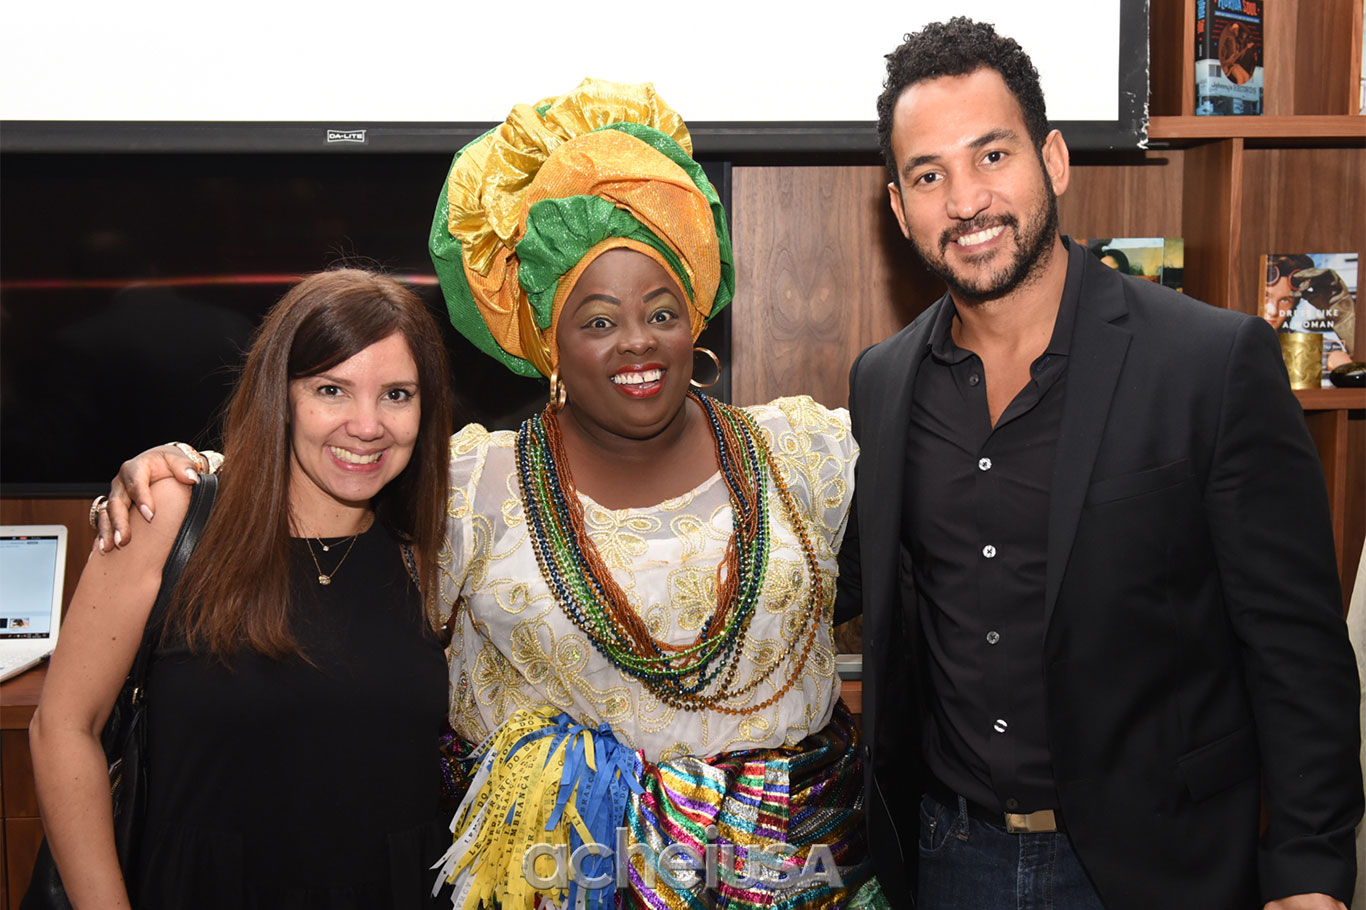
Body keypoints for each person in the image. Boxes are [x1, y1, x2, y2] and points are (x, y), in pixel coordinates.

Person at [95, 81, 885, 909]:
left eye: (663, 311)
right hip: (557, 883)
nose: (638, 342)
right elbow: (331, 465)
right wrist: (184, 467)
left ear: (696, 317)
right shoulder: (474, 485)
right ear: (548, 342)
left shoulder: (804, 451)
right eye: (598, 320)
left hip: (797, 879)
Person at [834, 17, 1362, 910]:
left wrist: (1310, 873)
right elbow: (849, 590)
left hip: (1159, 867)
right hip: (949, 857)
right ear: (899, 207)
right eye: (929, 175)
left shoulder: (1210, 363)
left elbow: (1296, 649)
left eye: (992, 155)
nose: (966, 201)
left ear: (1054, 160)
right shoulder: (882, 384)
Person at [32, 268, 455, 908]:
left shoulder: (439, 546)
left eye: (397, 394)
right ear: (278, 394)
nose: (368, 425)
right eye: (331, 389)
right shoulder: (171, 517)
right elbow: (63, 727)